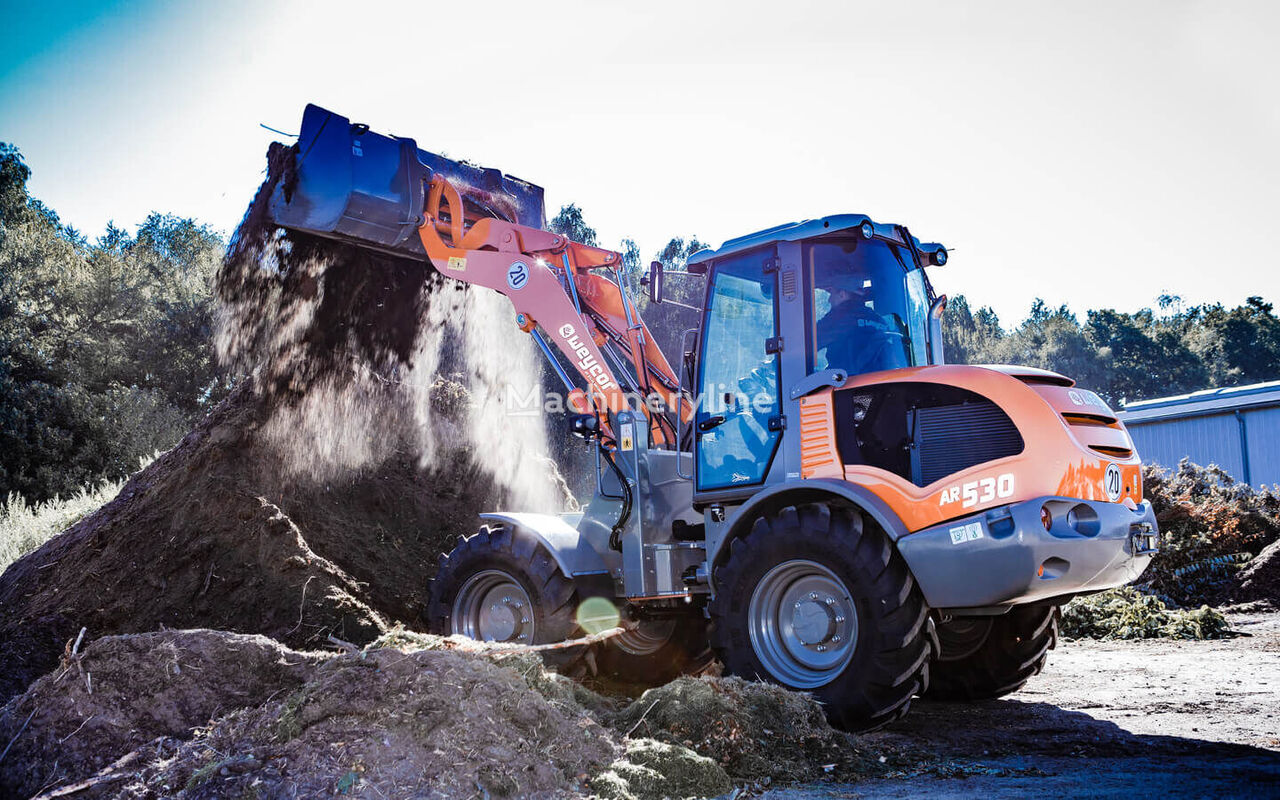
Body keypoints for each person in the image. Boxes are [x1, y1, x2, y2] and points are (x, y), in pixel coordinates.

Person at [815, 268, 905, 375]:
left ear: (842, 294)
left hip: (846, 385)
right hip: (880, 382)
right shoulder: (879, 320)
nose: (829, 299)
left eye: (832, 293)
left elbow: (807, 345)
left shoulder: (838, 318)